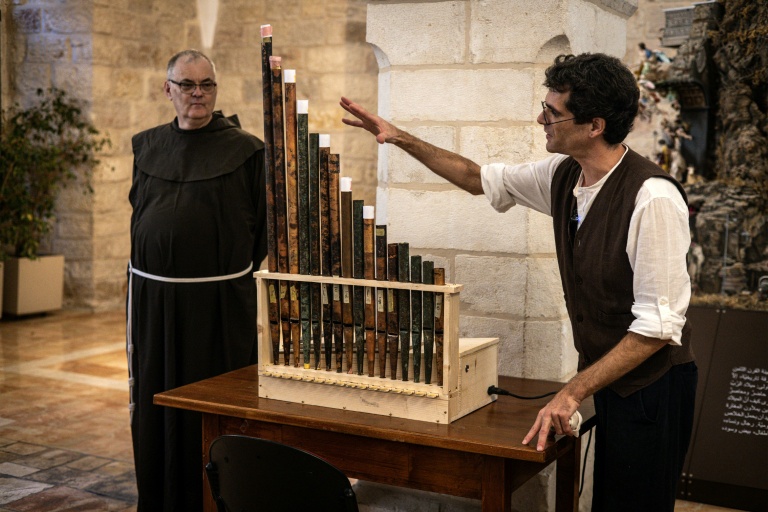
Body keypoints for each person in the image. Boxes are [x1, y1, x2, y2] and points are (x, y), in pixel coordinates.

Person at [340, 53, 697, 512]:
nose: (540, 119)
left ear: (594, 125)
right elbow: (476, 178)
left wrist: (572, 391)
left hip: (655, 385)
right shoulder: (563, 174)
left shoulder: (653, 198)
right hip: (612, 379)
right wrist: (399, 137)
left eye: (552, 112)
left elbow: (656, 328)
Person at [128, 49, 267, 511]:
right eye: (187, 84)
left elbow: (259, 232)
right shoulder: (146, 147)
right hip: (153, 303)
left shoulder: (246, 151)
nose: (198, 93)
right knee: (156, 403)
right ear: (167, 89)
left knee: (213, 407)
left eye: (206, 84)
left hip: (217, 306)